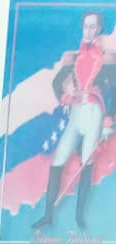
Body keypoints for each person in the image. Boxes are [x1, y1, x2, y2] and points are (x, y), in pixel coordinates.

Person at [33, 11, 116, 232]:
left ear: (99, 30)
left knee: (86, 163)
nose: (89, 31)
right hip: (76, 114)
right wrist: (65, 96)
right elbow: (57, 82)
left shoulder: (108, 60)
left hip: (95, 115)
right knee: (57, 161)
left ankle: (80, 216)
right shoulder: (75, 57)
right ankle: (48, 215)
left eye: (93, 27)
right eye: (86, 27)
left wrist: (111, 120)